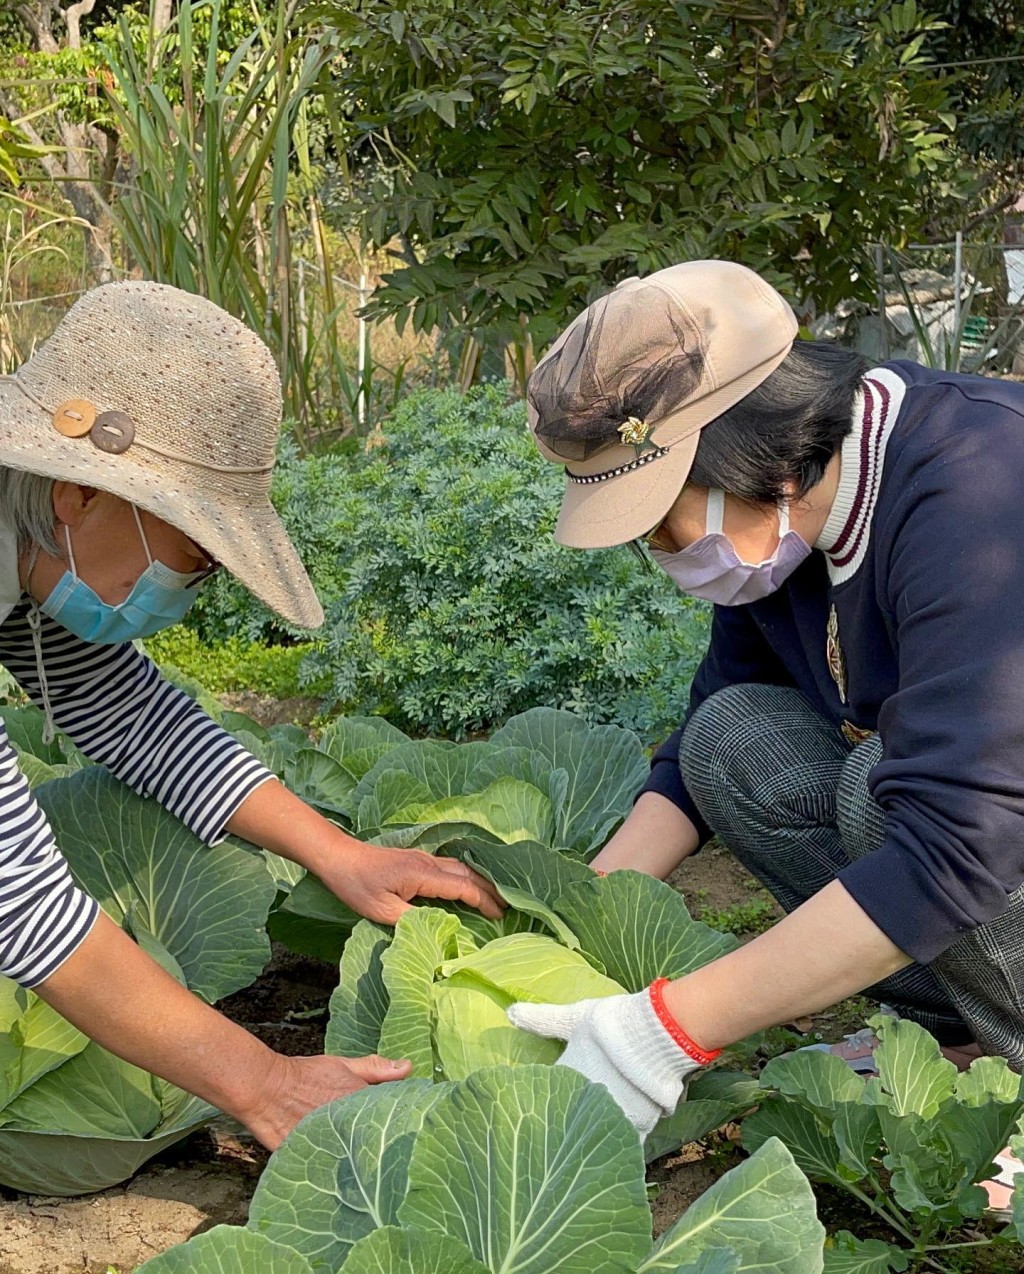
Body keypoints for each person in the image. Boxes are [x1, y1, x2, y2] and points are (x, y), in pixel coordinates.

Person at [510, 259, 1024, 1208]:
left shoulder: (984, 489)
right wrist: (575, 914)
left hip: (985, 831)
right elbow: (718, 714)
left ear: (764, 460)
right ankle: (966, 1037)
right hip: (979, 845)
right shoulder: (791, 518)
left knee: (888, 793)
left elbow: (961, 840)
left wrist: (667, 1029)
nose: (660, 555)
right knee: (733, 741)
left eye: (659, 525)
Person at [0, 280, 502, 1151]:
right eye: (192, 554)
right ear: (79, 497)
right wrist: (264, 1082)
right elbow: (19, 896)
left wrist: (339, 854)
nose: (186, 591)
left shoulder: (36, 537)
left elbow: (132, 717)